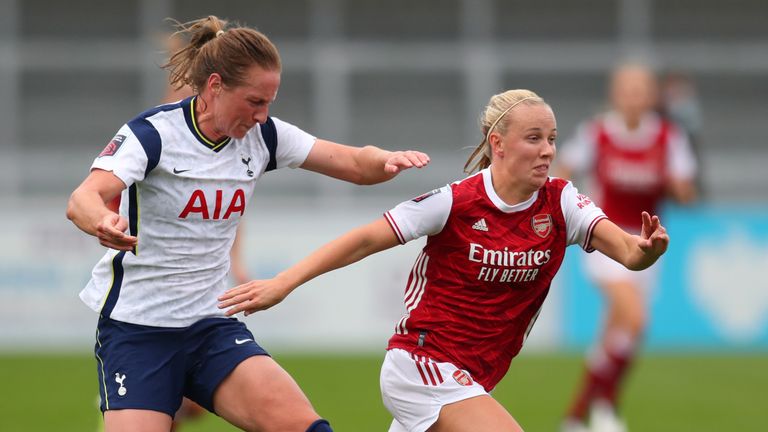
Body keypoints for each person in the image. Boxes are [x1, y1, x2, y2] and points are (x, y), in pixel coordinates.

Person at [216, 89, 671, 432]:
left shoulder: (562, 202)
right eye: (534, 138)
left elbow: (629, 253)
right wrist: (284, 282)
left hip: (475, 376)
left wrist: (646, 251)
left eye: (552, 139)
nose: (548, 150)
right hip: (422, 363)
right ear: (499, 143)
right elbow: (362, 240)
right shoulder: (454, 202)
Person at [67, 15, 430, 432]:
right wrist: (102, 221)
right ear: (216, 86)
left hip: (211, 327)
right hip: (138, 333)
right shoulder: (153, 134)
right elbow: (83, 199)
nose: (263, 115)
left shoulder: (265, 136)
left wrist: (384, 161)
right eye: (255, 101)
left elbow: (352, 162)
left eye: (270, 103)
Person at [556, 63, 697, 432]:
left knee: (618, 334)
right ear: (615, 94)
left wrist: (677, 182)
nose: (634, 98)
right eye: (627, 90)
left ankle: (576, 416)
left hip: (650, 245)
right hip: (606, 237)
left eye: (641, 90)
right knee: (635, 319)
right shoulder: (597, 132)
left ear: (652, 96)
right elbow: (561, 172)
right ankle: (606, 407)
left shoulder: (669, 136)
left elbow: (686, 193)